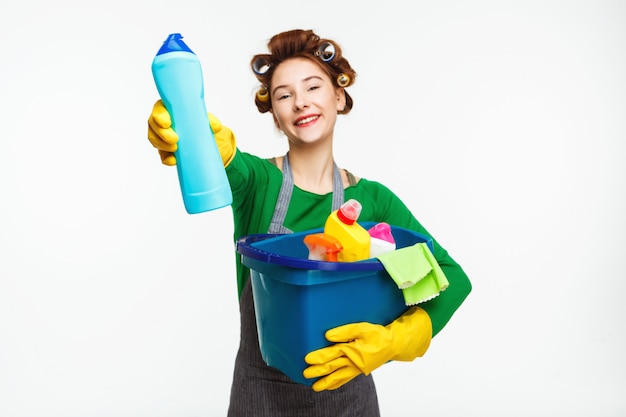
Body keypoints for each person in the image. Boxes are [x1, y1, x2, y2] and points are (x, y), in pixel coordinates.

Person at [147, 29, 471, 417]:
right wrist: (191, 133)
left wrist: (398, 338)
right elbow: (222, 160)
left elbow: (451, 278)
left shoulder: (374, 202)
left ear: (339, 95)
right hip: (260, 397)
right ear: (276, 115)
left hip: (349, 399)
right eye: (284, 95)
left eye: (313, 87)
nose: (300, 102)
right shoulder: (258, 183)